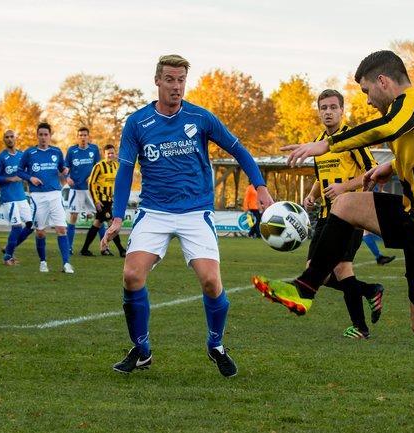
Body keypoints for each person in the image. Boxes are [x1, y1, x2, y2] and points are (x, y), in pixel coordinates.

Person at [253, 51, 414, 429]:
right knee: (345, 204)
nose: (367, 100)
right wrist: (387, 167)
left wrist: (327, 144)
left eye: (365, 91)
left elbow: (386, 128)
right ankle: (305, 288)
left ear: (383, 82)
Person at [102, 54, 273, 377]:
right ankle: (141, 349)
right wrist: (116, 216)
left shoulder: (201, 118)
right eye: (170, 79)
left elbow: (238, 149)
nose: (176, 86)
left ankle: (216, 344)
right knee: (131, 276)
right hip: (154, 211)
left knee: (211, 282)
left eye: (181, 80)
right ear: (157, 81)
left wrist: (260, 186)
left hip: (196, 211)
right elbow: (125, 171)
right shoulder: (137, 123)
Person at [301, 89, 384, 339]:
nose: (328, 111)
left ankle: (360, 327)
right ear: (319, 112)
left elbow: (374, 171)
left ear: (342, 110)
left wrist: (344, 188)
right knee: (314, 271)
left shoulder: (353, 138)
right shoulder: (319, 142)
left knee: (342, 268)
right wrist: (313, 195)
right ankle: (370, 290)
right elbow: (320, 177)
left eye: (333, 107)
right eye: (323, 107)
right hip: (327, 216)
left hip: (350, 215)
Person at [17, 122, 74, 274]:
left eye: (46, 134)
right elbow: (19, 171)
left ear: (50, 135)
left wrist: (66, 174)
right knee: (40, 232)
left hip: (55, 194)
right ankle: (43, 262)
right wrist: (31, 178)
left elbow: (62, 169)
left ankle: (66, 264)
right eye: (40, 134)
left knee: (62, 229)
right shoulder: (29, 153)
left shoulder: (56, 151)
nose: (43, 137)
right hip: (37, 196)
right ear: (37, 136)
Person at [0, 130, 34, 265]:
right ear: (4, 140)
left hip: (21, 197)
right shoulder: (0, 158)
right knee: (16, 227)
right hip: (9, 198)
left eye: (11, 137)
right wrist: (10, 178)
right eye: (6, 137)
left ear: (16, 138)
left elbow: (28, 172)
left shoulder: (22, 155)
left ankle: (9, 248)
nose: (9, 139)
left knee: (31, 226)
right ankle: (7, 257)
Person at [79, 145, 126, 257]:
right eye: (108, 153)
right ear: (104, 154)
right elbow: (91, 183)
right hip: (101, 201)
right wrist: (96, 201)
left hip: (110, 200)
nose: (110, 155)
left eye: (112, 153)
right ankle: (121, 250)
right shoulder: (98, 166)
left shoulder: (116, 166)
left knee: (97, 223)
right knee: (112, 224)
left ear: (115, 154)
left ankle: (86, 249)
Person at [64, 127, 102, 254]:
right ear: (77, 137)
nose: (83, 137)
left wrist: (92, 177)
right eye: (80, 135)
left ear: (88, 136)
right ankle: (69, 247)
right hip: (76, 189)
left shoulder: (94, 149)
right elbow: (66, 168)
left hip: (91, 190)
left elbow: (99, 168)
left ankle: (104, 247)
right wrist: (67, 177)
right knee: (73, 216)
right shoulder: (71, 150)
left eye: (85, 135)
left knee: (100, 216)